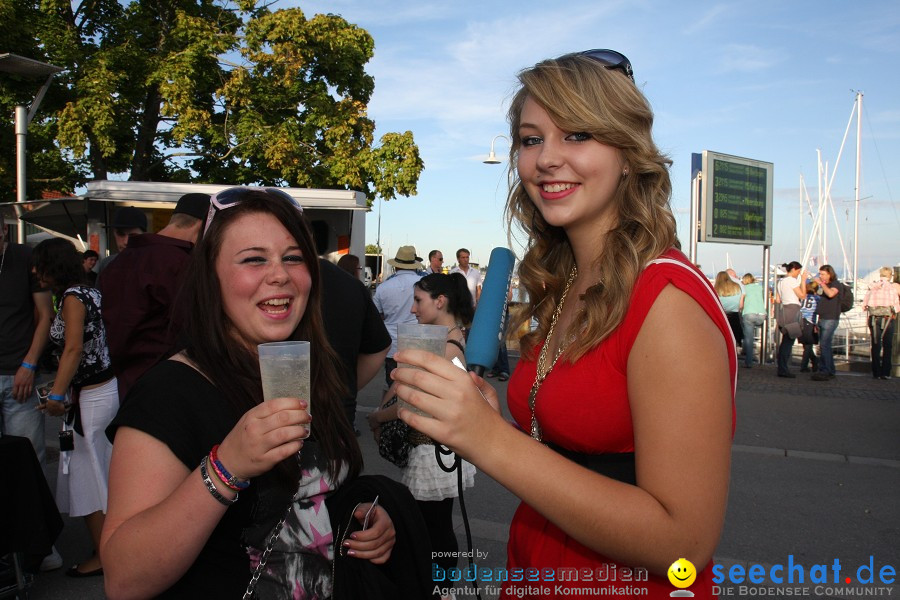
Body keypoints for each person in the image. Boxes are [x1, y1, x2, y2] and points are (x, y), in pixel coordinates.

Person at [392, 50, 736, 599]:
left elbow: (685, 544)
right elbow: (574, 458)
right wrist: (489, 422)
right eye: (531, 139)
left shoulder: (665, 301)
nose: (548, 158)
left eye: (577, 135)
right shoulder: (566, 281)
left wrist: (486, 442)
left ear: (627, 152)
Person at [100, 188, 415, 599]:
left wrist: (356, 518)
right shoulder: (170, 392)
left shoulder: (310, 376)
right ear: (210, 276)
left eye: (293, 257)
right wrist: (226, 467)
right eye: (253, 259)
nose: (279, 274)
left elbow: (306, 499)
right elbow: (124, 579)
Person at [367, 273, 479, 581]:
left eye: (418, 301)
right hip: (434, 447)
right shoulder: (444, 339)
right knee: (432, 523)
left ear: (440, 302)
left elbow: (410, 400)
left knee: (432, 526)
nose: (413, 309)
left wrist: (377, 417)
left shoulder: (446, 347)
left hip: (434, 450)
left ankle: (439, 586)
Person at [32, 237, 119, 578]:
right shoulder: (90, 291)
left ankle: (104, 555)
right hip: (98, 392)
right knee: (99, 473)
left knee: (89, 476)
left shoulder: (72, 297)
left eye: (40, 264)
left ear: (53, 264)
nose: (35, 270)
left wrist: (55, 396)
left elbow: (73, 350)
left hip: (91, 397)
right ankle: (107, 548)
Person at [98, 193, 210, 402]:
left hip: (122, 384)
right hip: (167, 386)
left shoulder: (116, 263)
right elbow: (194, 330)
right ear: (202, 226)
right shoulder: (180, 264)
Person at [0, 211, 54, 464]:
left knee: (28, 457)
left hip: (19, 373)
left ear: (3, 231)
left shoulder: (24, 258)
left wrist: (30, 363)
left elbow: (46, 314)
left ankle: (30, 506)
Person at [319, 255, 391, 430]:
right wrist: (345, 386)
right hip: (337, 420)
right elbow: (379, 345)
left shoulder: (384, 287)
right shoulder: (352, 287)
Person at [373, 246, 424, 388]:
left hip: (393, 345)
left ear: (395, 267)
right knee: (416, 386)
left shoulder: (383, 287)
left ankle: (393, 409)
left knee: (394, 387)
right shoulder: (423, 285)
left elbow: (375, 315)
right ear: (414, 266)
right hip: (418, 343)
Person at [862, 266, 899, 380]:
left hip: (874, 319)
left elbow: (864, 304)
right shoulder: (892, 288)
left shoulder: (873, 286)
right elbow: (896, 306)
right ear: (890, 275)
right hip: (887, 319)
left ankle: (876, 372)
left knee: (876, 345)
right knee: (887, 346)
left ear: (880, 274)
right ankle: (886, 373)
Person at [775, 261, 807, 378]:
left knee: (786, 341)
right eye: (798, 272)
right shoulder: (792, 281)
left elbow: (778, 300)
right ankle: (783, 369)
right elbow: (802, 295)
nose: (798, 274)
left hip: (784, 311)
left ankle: (782, 367)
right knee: (789, 341)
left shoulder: (781, 282)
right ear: (793, 269)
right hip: (793, 310)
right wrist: (803, 281)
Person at [95, 206, 148, 275]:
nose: (126, 241)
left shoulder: (155, 265)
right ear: (114, 233)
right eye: (121, 234)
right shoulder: (107, 264)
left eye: (133, 236)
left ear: (144, 236)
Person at [811, 264, 841, 381]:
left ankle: (825, 370)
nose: (821, 276)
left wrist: (822, 284)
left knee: (825, 345)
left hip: (831, 318)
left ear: (830, 274)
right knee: (824, 345)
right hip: (823, 318)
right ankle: (829, 370)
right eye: (820, 274)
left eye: (823, 274)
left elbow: (831, 294)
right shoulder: (825, 286)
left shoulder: (835, 284)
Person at [739, 273, 766, 368]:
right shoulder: (759, 287)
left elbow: (741, 302)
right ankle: (761, 356)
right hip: (761, 314)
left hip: (749, 313)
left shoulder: (744, 288)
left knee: (749, 338)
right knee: (751, 334)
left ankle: (748, 360)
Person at [714, 271, 743, 348]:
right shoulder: (737, 287)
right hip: (735, 314)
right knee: (736, 336)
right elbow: (740, 303)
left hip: (722, 315)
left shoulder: (716, 289)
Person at [799, 280, 819, 372]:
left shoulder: (802, 297)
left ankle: (815, 362)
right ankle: (804, 366)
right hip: (809, 321)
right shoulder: (817, 298)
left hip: (800, 321)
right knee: (808, 346)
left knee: (805, 344)